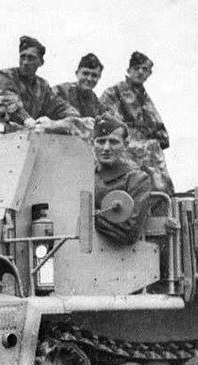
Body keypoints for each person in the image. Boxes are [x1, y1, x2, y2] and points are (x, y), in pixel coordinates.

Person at [100, 51, 173, 194]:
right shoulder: (114, 92)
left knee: (153, 150)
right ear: (129, 70)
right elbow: (108, 123)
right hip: (117, 145)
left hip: (143, 149)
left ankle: (164, 197)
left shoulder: (145, 99)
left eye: (145, 69)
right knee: (150, 150)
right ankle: (159, 195)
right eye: (136, 68)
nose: (140, 72)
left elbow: (162, 135)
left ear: (149, 74)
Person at [0, 36, 81, 134]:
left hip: (24, 137)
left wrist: (57, 124)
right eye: (22, 57)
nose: (25, 62)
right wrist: (27, 120)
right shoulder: (3, 77)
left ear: (41, 62)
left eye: (31, 58)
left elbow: (61, 108)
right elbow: (7, 102)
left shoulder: (42, 86)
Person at [92, 116, 155, 245]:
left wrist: (89, 216)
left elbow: (130, 231)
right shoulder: (85, 177)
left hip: (119, 255)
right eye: (101, 141)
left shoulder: (138, 180)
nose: (106, 148)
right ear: (93, 143)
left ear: (125, 144)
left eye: (113, 142)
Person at [54, 53, 107, 118]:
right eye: (85, 73)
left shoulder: (94, 100)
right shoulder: (61, 91)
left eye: (94, 75)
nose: (89, 78)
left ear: (99, 78)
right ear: (76, 73)